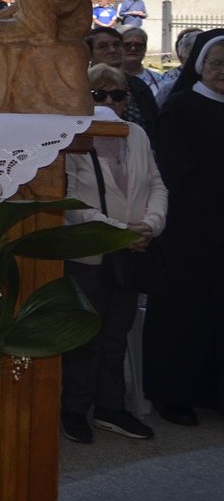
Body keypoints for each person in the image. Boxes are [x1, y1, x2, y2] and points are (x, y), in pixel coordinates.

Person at [60, 64, 165, 444]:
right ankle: (74, 408)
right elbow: (68, 199)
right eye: (97, 95)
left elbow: (155, 183)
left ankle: (110, 408)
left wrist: (151, 224)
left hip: (131, 254)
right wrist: (120, 234)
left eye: (117, 95)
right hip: (90, 253)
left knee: (115, 333)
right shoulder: (72, 136)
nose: (108, 102)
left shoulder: (135, 133)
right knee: (84, 336)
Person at [143, 29, 224, 426]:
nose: (223, 71)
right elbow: (175, 173)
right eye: (216, 63)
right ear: (200, 67)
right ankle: (171, 394)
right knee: (183, 316)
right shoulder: (179, 108)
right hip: (190, 231)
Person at [87, 26, 158, 133]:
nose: (112, 50)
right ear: (89, 54)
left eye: (117, 45)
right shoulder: (80, 85)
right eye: (102, 46)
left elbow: (155, 125)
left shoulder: (138, 85)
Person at [119, 26, 162, 97]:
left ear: (145, 49)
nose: (133, 48)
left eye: (138, 45)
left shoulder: (159, 80)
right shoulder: (107, 78)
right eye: (127, 45)